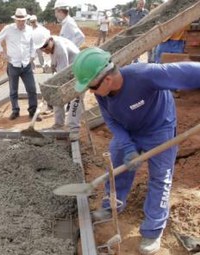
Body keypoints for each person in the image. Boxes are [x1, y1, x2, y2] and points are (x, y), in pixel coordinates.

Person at [71, 47, 200, 255]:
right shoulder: (102, 94)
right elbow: (111, 121)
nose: (90, 92)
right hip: (129, 131)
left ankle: (153, 230)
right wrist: (129, 147)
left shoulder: (145, 74)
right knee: (117, 161)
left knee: (160, 177)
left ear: (107, 79)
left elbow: (189, 72)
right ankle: (113, 204)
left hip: (160, 130)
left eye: (91, 86)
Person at [0, 8, 40, 121]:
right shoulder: (8, 29)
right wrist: (2, 54)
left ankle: (33, 111)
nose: (21, 23)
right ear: (15, 20)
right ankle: (15, 110)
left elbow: (33, 44)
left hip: (26, 65)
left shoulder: (29, 30)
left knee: (32, 88)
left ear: (26, 20)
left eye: (23, 20)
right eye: (18, 20)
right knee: (13, 90)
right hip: (13, 64)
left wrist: (32, 56)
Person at [32, 31, 80, 141]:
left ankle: (74, 129)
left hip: (80, 72)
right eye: (41, 48)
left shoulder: (60, 50)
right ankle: (58, 125)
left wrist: (52, 89)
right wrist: (50, 88)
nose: (44, 50)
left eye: (45, 46)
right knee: (56, 96)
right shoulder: (52, 45)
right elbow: (56, 69)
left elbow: (63, 76)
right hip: (68, 71)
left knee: (76, 99)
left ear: (50, 40)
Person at [53, 0, 85, 140]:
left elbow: (81, 37)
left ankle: (73, 128)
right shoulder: (66, 23)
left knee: (75, 94)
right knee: (73, 95)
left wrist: (72, 47)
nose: (55, 14)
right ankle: (64, 123)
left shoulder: (69, 23)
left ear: (60, 10)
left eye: (55, 11)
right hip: (70, 63)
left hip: (74, 65)